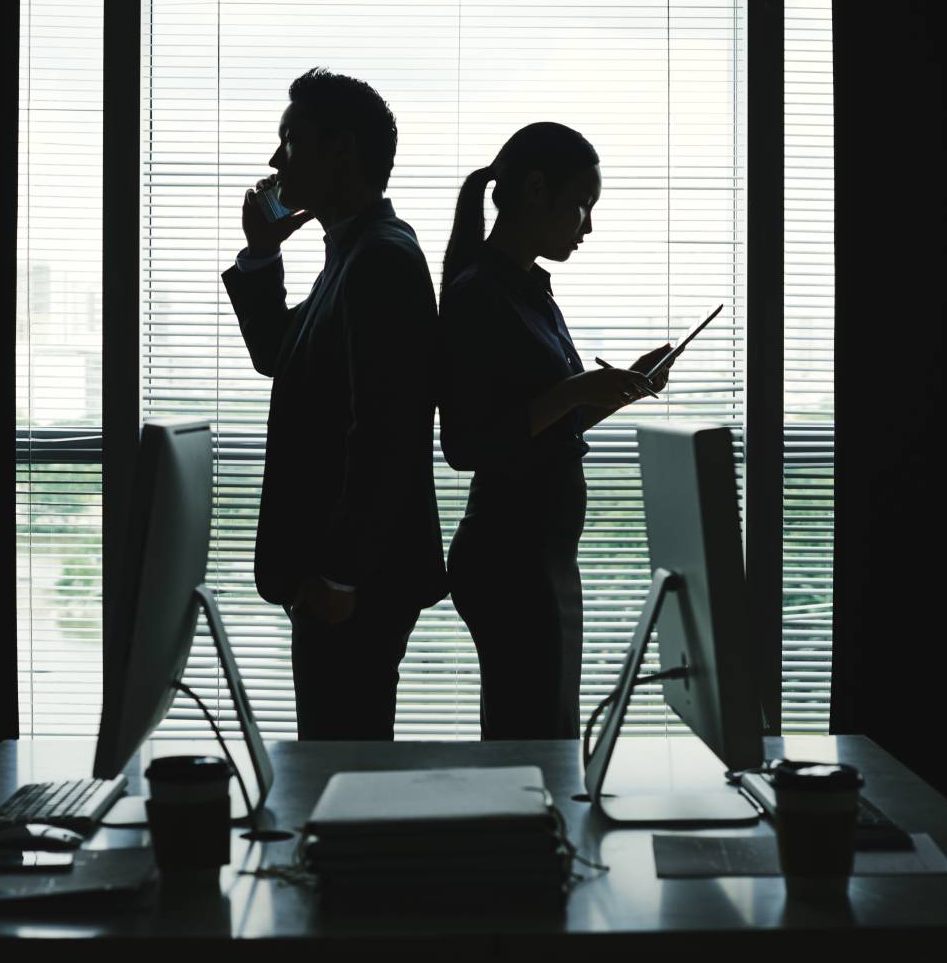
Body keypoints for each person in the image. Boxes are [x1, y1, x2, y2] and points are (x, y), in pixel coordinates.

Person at [223, 68, 446, 741]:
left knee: (343, 764)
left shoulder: (380, 257)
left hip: (355, 583)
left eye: (290, 141)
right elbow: (278, 355)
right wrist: (261, 256)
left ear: (341, 151)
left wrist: (342, 574)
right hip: (345, 576)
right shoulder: (353, 252)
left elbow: (388, 431)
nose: (273, 160)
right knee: (338, 761)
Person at [438, 122, 672, 740]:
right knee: (534, 743)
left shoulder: (528, 289)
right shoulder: (478, 295)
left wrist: (613, 392)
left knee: (543, 735)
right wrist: (574, 390)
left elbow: (544, 426)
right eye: (583, 205)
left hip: (539, 558)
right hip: (510, 561)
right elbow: (467, 445)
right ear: (536, 189)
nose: (587, 226)